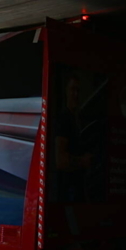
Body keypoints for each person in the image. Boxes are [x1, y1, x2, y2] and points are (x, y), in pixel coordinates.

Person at [54, 73, 94, 202]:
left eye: (78, 90)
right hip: (68, 193)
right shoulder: (64, 119)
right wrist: (83, 161)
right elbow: (60, 160)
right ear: (66, 92)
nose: (75, 94)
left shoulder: (78, 119)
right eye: (72, 89)